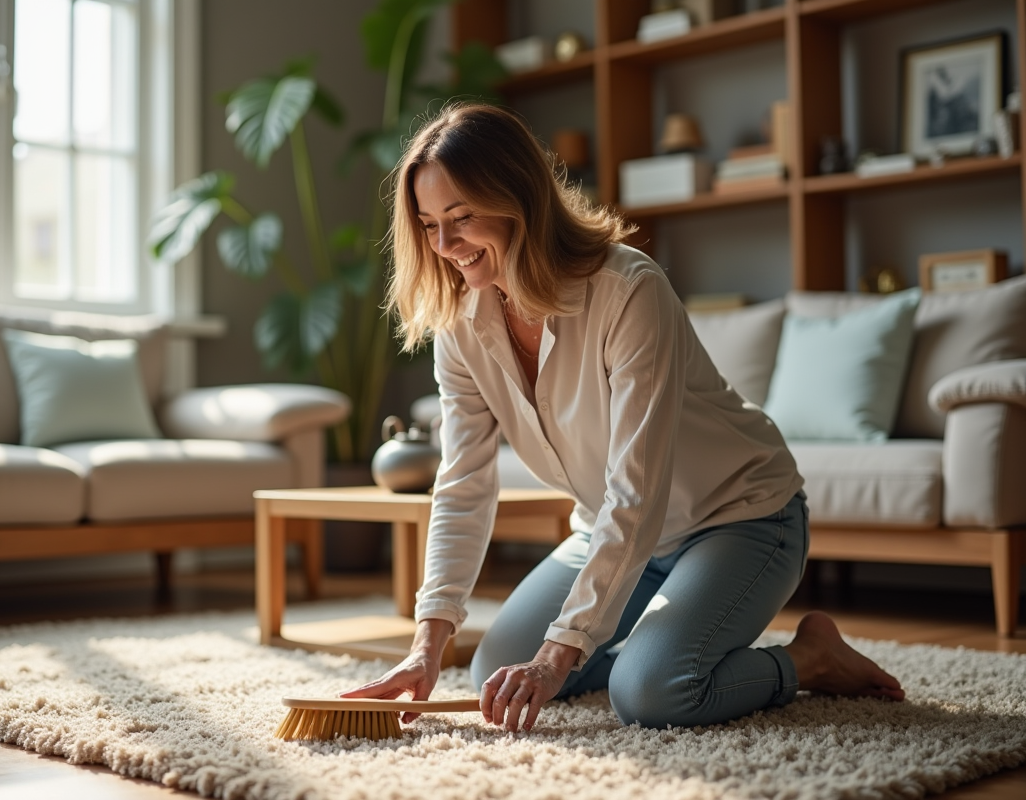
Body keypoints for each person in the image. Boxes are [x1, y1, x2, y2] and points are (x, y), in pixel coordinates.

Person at [342, 103, 904, 734]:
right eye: (427, 224)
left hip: (740, 517)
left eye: (462, 217)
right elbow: (464, 486)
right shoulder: (462, 326)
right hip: (612, 529)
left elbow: (637, 489)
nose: (444, 246)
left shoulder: (628, 291)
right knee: (495, 671)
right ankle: (651, 634)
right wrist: (427, 644)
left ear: (519, 199)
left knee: (651, 693)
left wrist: (562, 652)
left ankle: (810, 658)